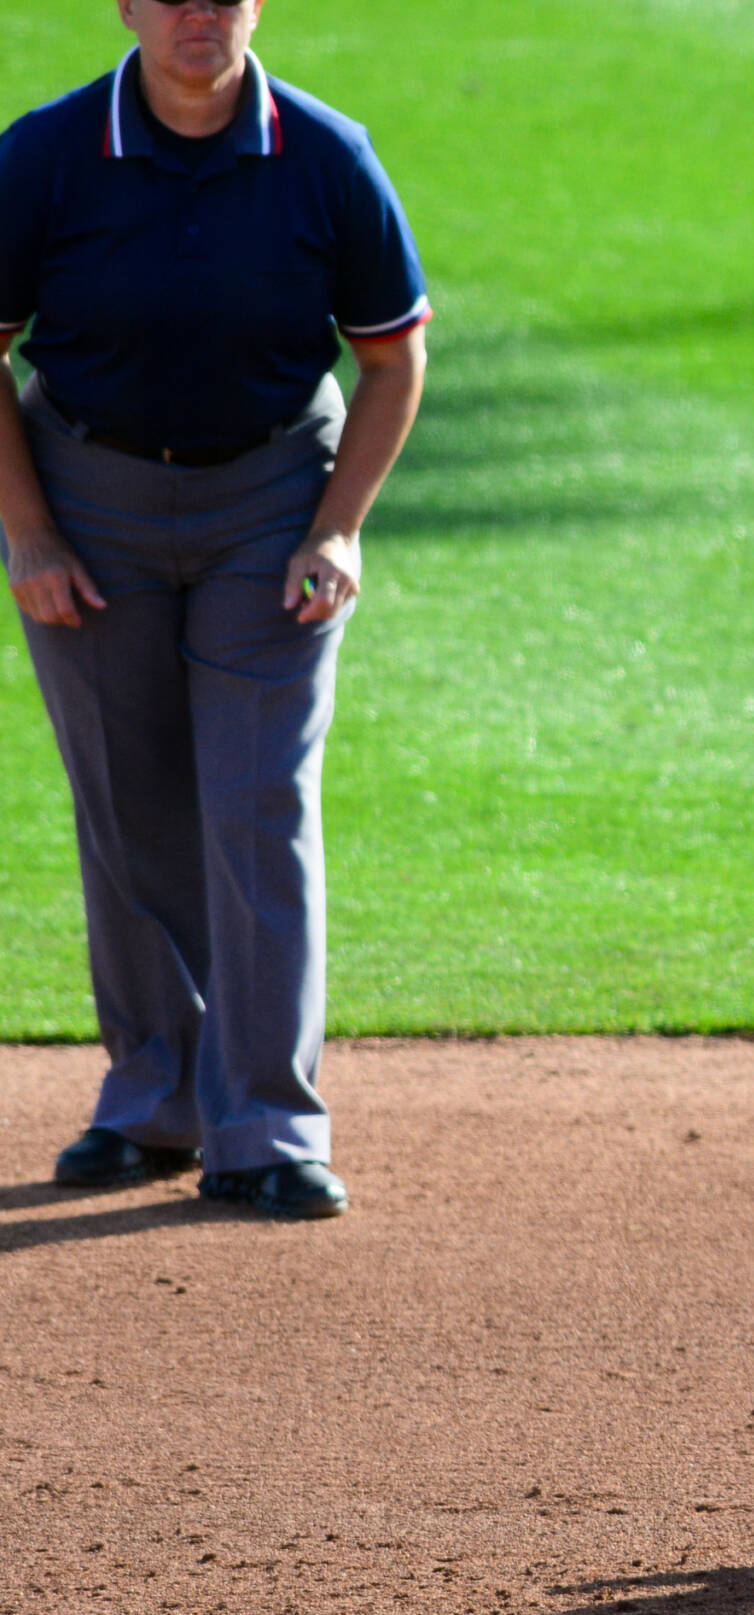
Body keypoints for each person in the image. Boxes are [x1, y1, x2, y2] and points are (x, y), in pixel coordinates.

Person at [0, 0, 430, 1218]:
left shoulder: (325, 153)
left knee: (257, 801)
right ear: (128, 8)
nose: (201, 12)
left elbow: (391, 358)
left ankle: (270, 1126)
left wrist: (336, 525)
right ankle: (153, 1101)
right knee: (125, 804)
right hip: (85, 497)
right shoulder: (46, 152)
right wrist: (28, 530)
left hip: (273, 497)